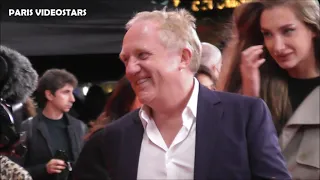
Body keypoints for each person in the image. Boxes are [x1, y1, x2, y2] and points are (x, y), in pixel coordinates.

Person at [73, 8, 291, 180]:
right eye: (126, 59)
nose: (130, 69)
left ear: (183, 58)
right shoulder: (111, 139)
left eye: (142, 55)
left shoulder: (244, 116)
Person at [220, 0, 320, 179]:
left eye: (288, 31)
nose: (277, 46)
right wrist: (250, 95)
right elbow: (231, 162)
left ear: (313, 28)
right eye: (267, 34)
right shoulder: (256, 85)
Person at [21, 69, 87, 180]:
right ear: (49, 95)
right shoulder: (28, 127)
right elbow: (15, 171)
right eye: (66, 92)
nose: (72, 99)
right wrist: (45, 168)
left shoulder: (79, 127)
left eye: (72, 92)